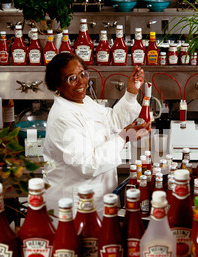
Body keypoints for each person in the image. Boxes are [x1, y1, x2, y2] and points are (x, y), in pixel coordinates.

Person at [43, 53, 150, 226]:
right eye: (72, 79)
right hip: (74, 205)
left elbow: (112, 120)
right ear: (57, 85)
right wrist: (123, 137)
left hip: (99, 199)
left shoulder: (84, 101)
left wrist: (131, 92)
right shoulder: (62, 117)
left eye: (83, 74)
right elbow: (88, 164)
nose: (81, 83)